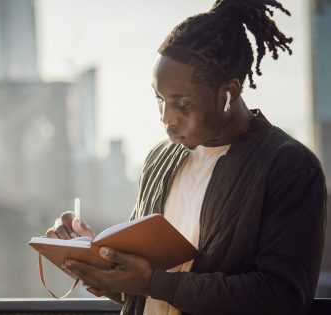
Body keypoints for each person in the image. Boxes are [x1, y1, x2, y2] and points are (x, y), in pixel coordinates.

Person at [45, 0, 327, 314]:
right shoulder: (158, 159)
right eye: (159, 99)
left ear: (228, 94)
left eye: (182, 104)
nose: (166, 118)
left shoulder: (288, 166)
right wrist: (97, 257)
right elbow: (142, 292)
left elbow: (281, 297)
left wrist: (152, 282)